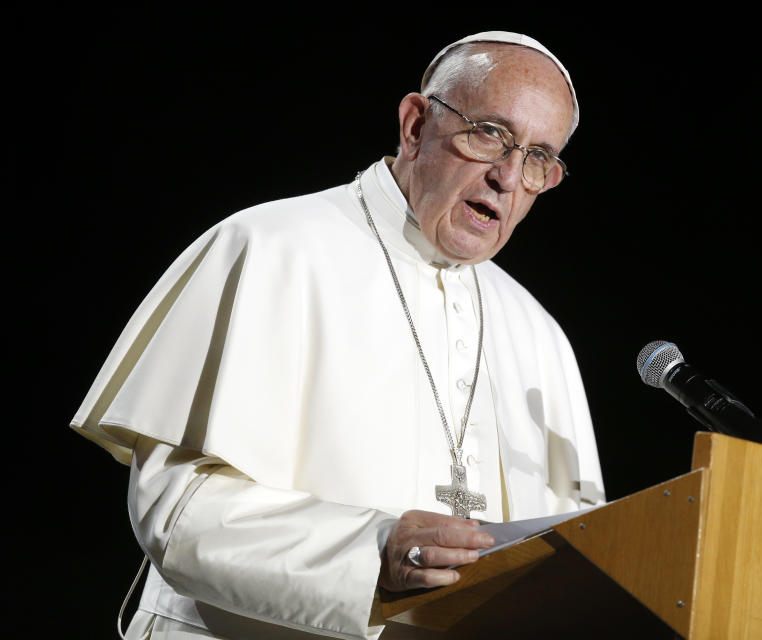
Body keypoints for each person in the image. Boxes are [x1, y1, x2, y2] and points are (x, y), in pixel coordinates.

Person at [71, 31, 605, 639]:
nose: (508, 177)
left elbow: (575, 563)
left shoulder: (539, 335)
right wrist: (372, 551)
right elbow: (180, 510)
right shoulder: (269, 248)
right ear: (414, 125)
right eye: (490, 134)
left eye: (538, 157)